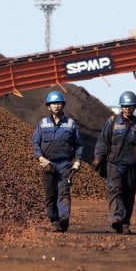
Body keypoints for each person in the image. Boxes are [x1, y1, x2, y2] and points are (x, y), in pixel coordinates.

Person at [90, 90, 136, 234]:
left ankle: (125, 223)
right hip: (114, 164)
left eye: (130, 105)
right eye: (124, 106)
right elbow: (103, 141)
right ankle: (116, 218)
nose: (127, 108)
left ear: (135, 106)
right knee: (115, 190)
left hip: (131, 165)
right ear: (121, 107)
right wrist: (98, 158)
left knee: (129, 194)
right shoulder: (112, 122)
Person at [31, 90, 83, 232]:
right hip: (48, 164)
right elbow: (35, 143)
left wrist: (77, 161)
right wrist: (41, 158)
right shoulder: (42, 124)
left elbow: (79, 145)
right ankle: (54, 220)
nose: (56, 106)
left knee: (64, 192)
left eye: (58, 103)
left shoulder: (71, 124)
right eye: (53, 103)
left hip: (65, 164)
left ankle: (63, 217)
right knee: (50, 194)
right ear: (48, 106)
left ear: (63, 105)